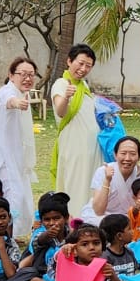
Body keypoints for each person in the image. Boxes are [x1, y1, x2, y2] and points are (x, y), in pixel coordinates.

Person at [0, 58, 40, 240]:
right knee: (12, 196)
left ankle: (9, 236)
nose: (28, 79)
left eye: (31, 75)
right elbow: (10, 101)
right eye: (23, 74)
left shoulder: (21, 93)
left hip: (12, 154)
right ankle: (4, 237)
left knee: (18, 195)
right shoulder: (7, 92)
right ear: (11, 75)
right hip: (0, 155)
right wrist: (17, 103)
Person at [49, 43, 102, 214]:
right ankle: (74, 221)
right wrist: (66, 96)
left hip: (91, 148)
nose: (84, 69)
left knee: (89, 185)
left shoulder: (83, 86)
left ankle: (88, 220)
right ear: (69, 61)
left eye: (88, 65)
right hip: (74, 147)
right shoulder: (61, 83)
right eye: (81, 63)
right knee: (75, 185)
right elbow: (60, 111)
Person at [88, 135, 140, 221]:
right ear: (115, 155)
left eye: (133, 154)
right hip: (106, 216)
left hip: (134, 215)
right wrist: (107, 180)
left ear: (139, 156)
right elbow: (99, 211)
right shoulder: (102, 171)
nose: (127, 158)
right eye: (123, 153)